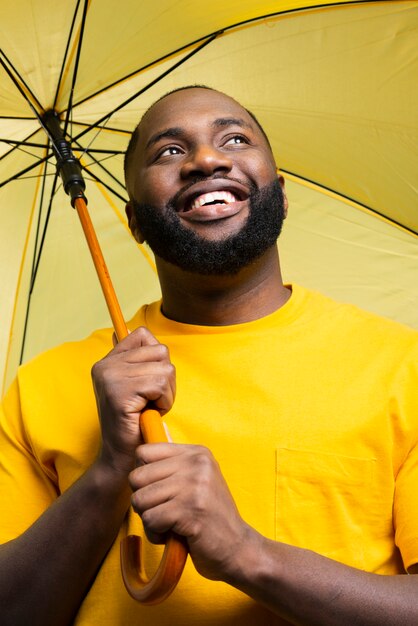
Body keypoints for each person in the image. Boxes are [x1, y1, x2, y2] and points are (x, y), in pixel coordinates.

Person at [0, 85, 417, 626]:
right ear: (135, 222)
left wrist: (247, 554)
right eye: (169, 152)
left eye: (234, 139)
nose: (206, 159)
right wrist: (109, 472)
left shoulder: (401, 366)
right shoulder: (44, 386)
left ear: (281, 194)